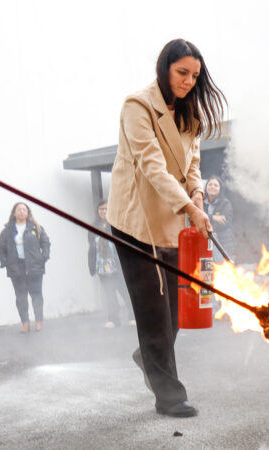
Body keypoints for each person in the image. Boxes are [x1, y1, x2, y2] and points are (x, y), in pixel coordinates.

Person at [106, 38, 224, 418]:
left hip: (172, 223)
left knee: (173, 312)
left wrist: (198, 199)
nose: (189, 81)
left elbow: (192, 165)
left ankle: (148, 356)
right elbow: (152, 165)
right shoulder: (137, 106)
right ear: (165, 68)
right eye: (182, 73)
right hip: (136, 223)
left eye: (194, 75)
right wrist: (189, 206)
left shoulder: (189, 115)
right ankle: (169, 395)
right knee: (154, 312)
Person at [0, 202, 51, 333]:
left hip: (34, 266)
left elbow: (45, 243)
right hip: (17, 267)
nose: (21, 211)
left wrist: (43, 257)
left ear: (28, 213)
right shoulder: (7, 231)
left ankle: (38, 322)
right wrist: (6, 262)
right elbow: (0, 248)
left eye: (24, 209)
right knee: (21, 297)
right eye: (18, 209)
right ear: (14, 213)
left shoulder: (35, 227)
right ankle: (25, 323)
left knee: (36, 294)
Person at [88, 200, 134, 328]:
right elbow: (92, 248)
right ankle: (114, 319)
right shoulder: (92, 227)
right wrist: (92, 266)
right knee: (109, 294)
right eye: (101, 209)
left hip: (117, 265)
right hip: (102, 267)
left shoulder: (117, 224)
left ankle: (133, 316)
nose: (103, 211)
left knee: (124, 291)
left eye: (106, 209)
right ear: (98, 212)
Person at [203, 176, 235, 263]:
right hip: (205, 244)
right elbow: (196, 217)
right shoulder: (201, 203)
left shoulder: (226, 204)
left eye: (216, 185)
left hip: (223, 244)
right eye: (210, 184)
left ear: (220, 189)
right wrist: (213, 217)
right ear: (206, 187)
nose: (212, 187)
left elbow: (223, 223)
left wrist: (207, 224)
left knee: (224, 271)